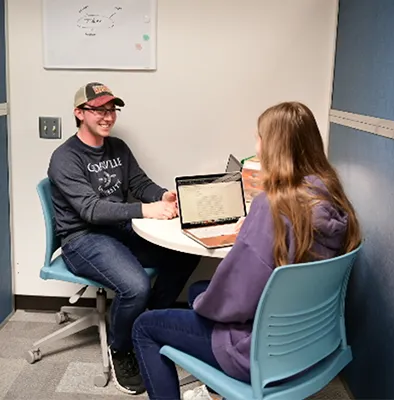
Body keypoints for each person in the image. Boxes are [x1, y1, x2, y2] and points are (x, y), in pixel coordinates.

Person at [131, 101, 361, 400]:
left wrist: (251, 234)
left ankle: (219, 383)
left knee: (146, 325)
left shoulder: (272, 206)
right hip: (311, 343)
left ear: (272, 147)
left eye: (259, 138)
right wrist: (253, 232)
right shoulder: (330, 196)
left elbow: (236, 296)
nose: (256, 145)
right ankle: (218, 393)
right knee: (200, 290)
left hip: (259, 352)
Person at [47, 82, 200, 395]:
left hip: (119, 229)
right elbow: (90, 210)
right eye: (99, 109)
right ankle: (121, 348)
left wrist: (164, 197)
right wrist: (146, 210)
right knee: (135, 286)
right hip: (83, 238)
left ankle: (149, 321)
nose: (108, 116)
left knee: (185, 251)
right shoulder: (64, 158)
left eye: (111, 109)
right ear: (79, 113)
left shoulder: (117, 148)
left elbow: (140, 183)